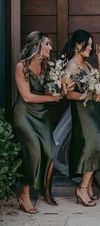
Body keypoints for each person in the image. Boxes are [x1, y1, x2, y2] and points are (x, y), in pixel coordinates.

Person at [13, 31, 62, 214]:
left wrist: (63, 87)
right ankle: (24, 194)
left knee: (49, 150)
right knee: (34, 150)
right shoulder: (22, 66)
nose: (51, 47)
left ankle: (45, 191)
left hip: (41, 116)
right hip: (24, 115)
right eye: (47, 44)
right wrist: (51, 99)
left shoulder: (48, 66)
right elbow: (26, 96)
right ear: (37, 46)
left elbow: (55, 87)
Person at [63, 29, 100, 207]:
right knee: (94, 145)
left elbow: (97, 78)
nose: (90, 48)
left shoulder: (86, 63)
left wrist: (98, 57)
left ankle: (89, 185)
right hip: (83, 112)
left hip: (94, 110)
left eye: (91, 45)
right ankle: (82, 188)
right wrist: (90, 96)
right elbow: (69, 94)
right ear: (77, 44)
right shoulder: (71, 66)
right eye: (88, 44)